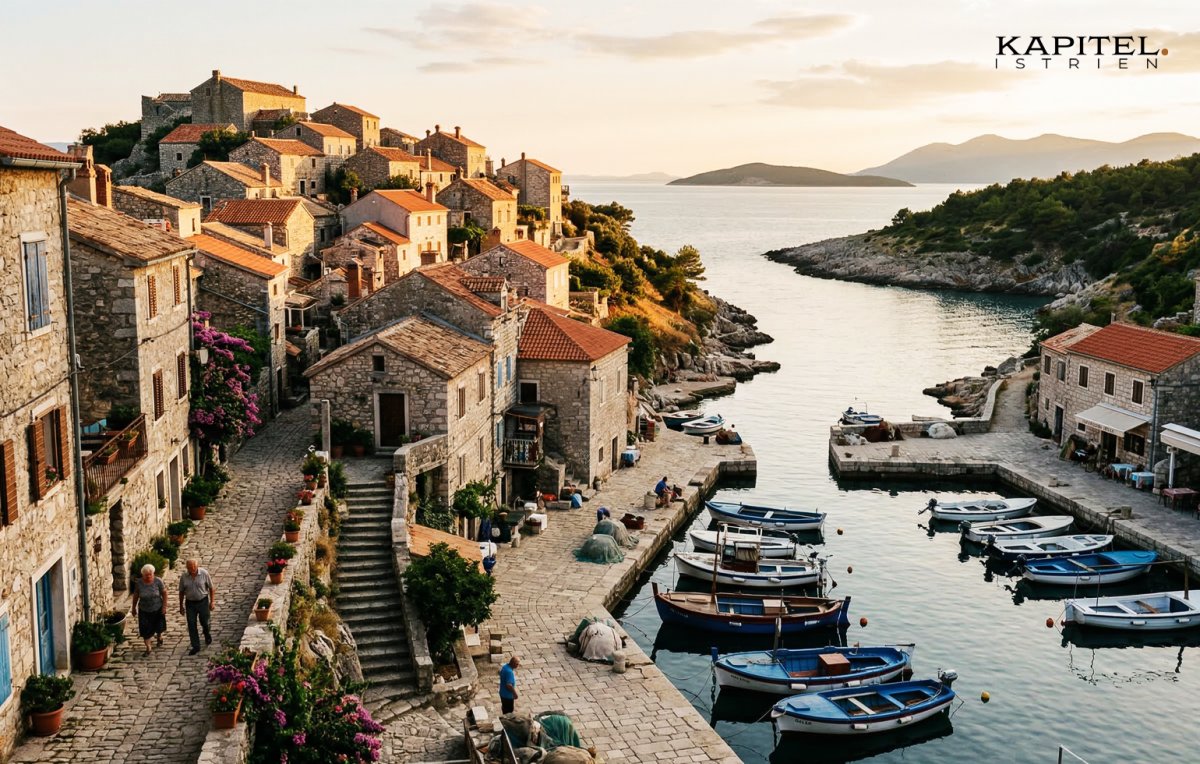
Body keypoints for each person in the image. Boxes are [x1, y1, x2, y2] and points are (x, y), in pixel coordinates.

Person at [178, 559, 216, 655]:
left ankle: (207, 634)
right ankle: (196, 646)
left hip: (203, 601)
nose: (192, 569)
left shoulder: (204, 573)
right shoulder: (184, 577)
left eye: (194, 567)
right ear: (187, 568)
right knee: (191, 624)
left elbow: (211, 588)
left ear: (197, 566)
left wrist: (212, 602)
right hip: (190, 603)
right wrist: (181, 606)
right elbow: (181, 591)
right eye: (190, 567)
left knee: (205, 622)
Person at [131, 564, 168, 656]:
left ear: (153, 573)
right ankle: (148, 647)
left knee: (159, 626)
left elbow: (164, 594)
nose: (148, 576)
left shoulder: (158, 581)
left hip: (157, 608)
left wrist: (164, 607)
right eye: (146, 575)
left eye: (150, 574)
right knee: (145, 629)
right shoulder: (139, 583)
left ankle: (159, 637)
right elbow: (136, 595)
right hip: (144, 609)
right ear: (142, 574)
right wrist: (133, 608)